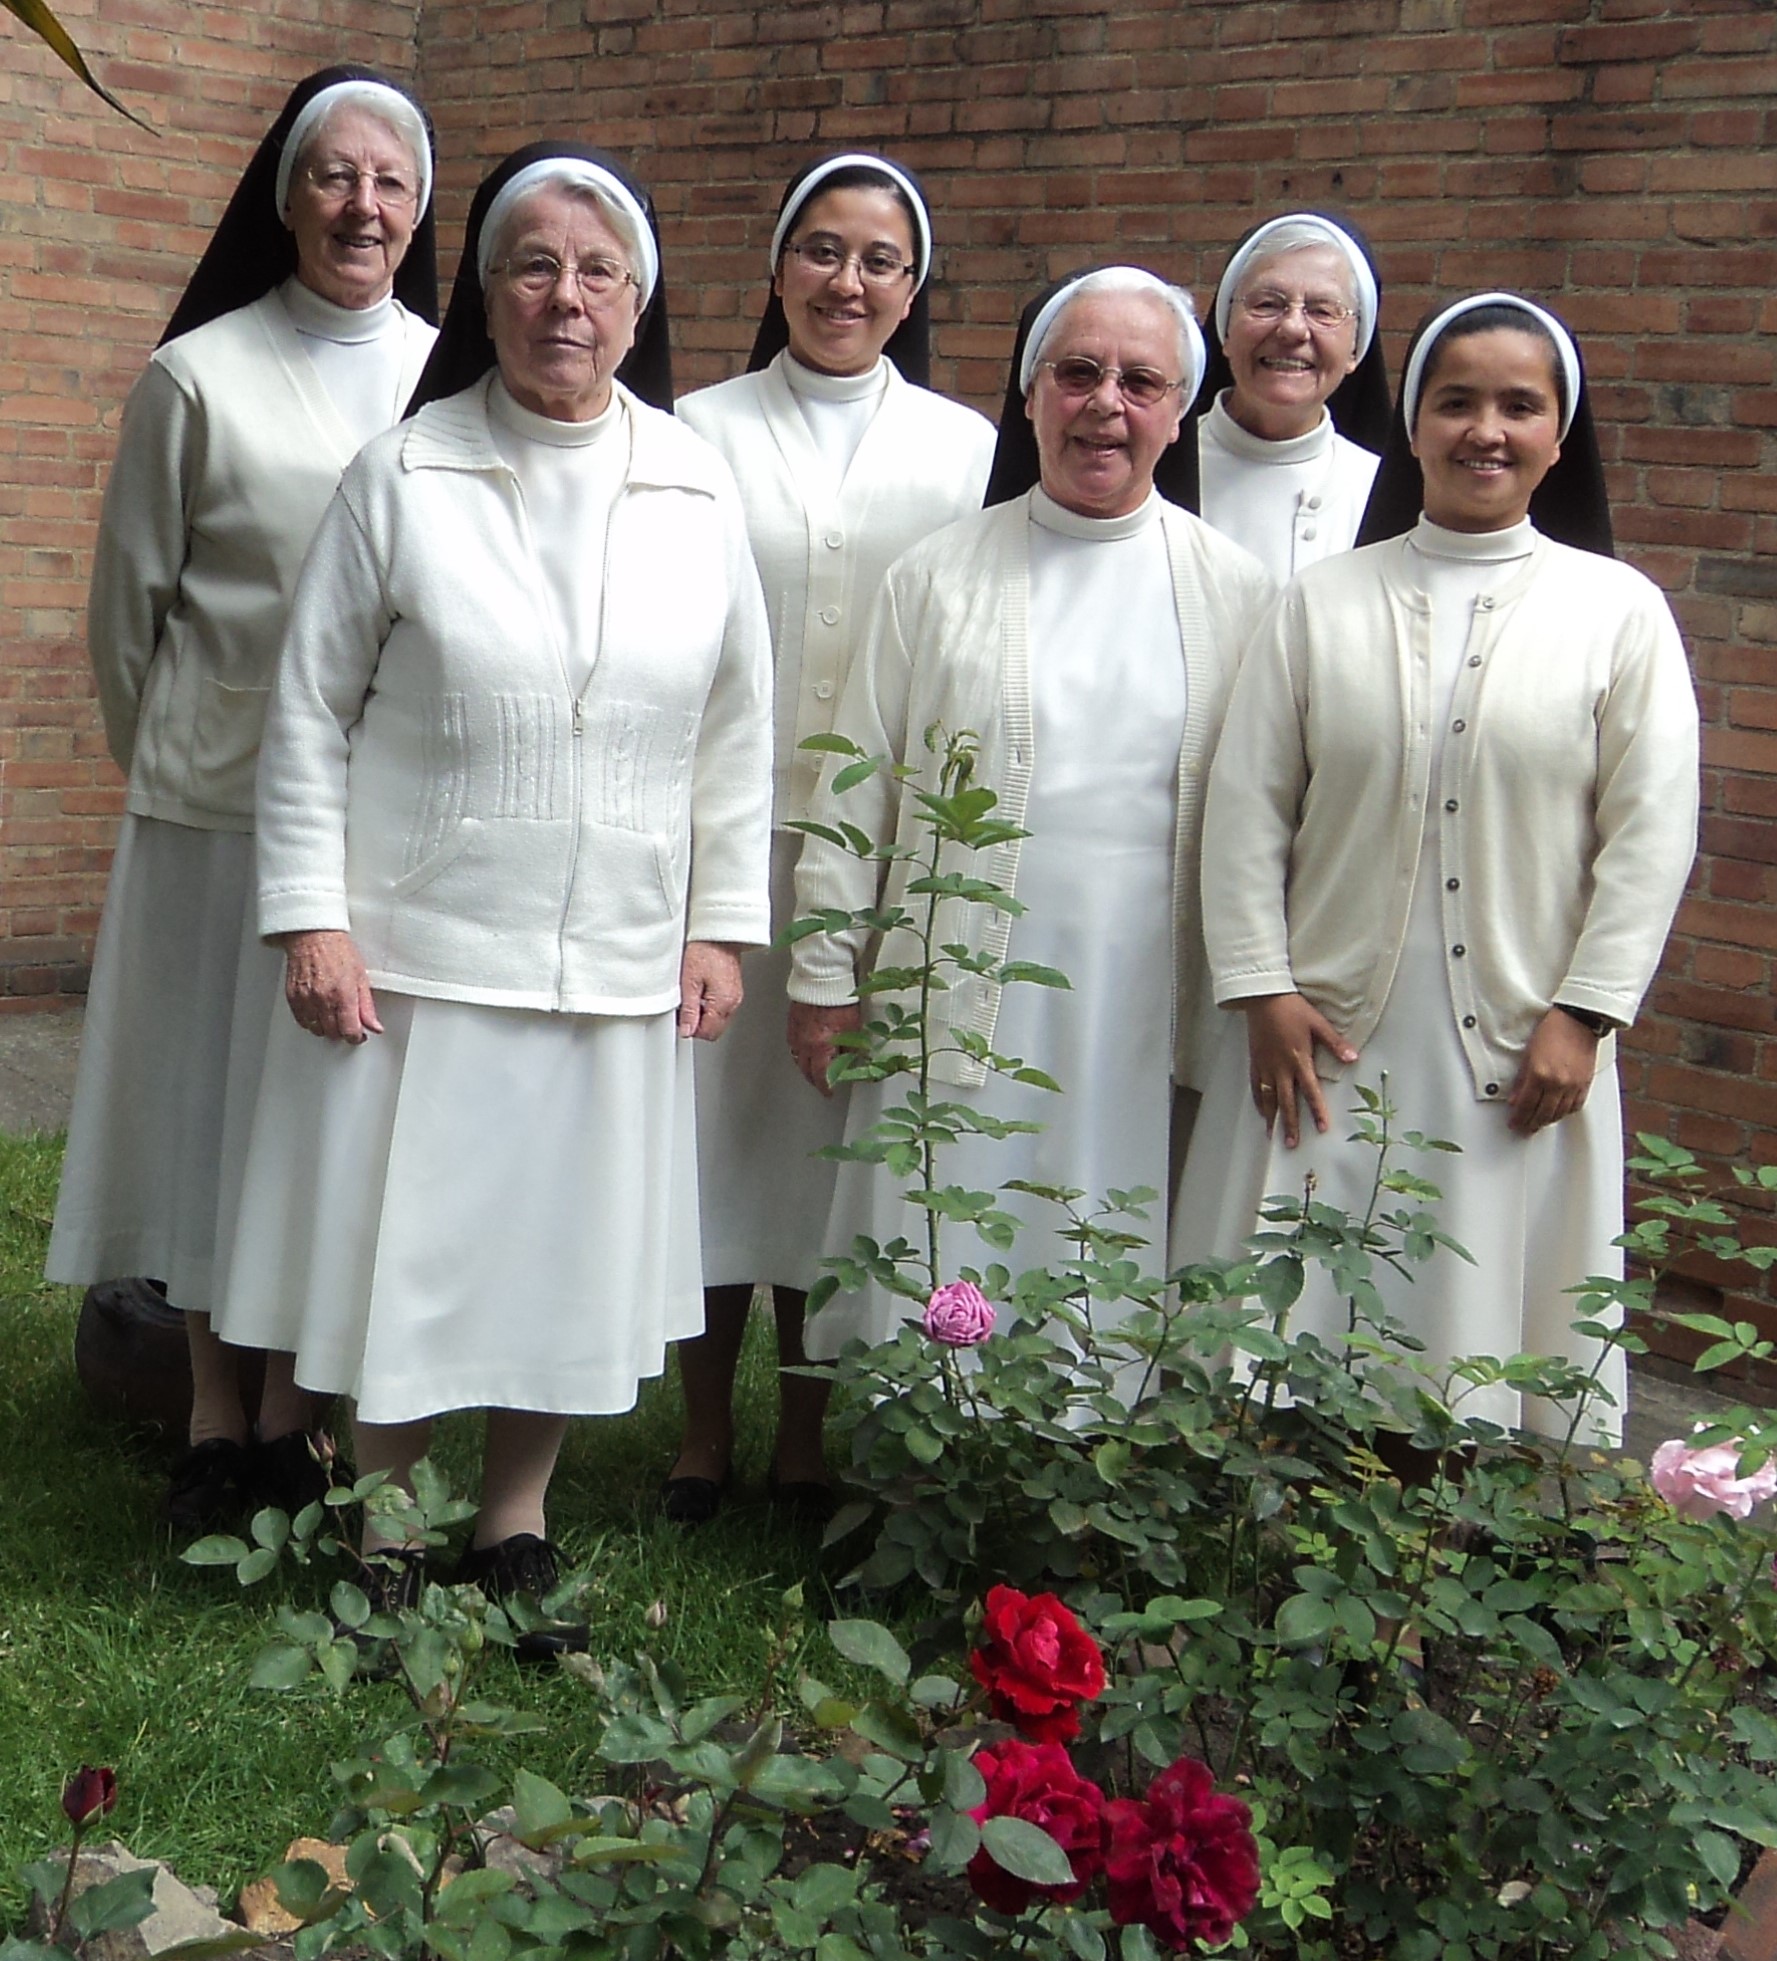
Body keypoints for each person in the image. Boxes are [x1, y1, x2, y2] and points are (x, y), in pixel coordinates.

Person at [212, 144, 773, 1651]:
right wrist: (308, 915)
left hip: (617, 947)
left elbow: (738, 725)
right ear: (486, 292)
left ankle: (513, 1515)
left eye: (596, 272)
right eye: (532, 267)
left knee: (562, 1252)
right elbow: (308, 710)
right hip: (423, 942)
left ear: (640, 299)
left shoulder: (694, 485)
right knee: (415, 1243)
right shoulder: (403, 471)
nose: (564, 299)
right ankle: (385, 1513)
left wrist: (724, 923)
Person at [1174, 292, 1700, 1442]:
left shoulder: (1617, 612)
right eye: (1455, 402)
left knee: (1466, 1337)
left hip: (1517, 1046)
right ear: (1411, 425)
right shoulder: (1322, 602)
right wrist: (1260, 987)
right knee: (1281, 1333)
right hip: (1316, 1037)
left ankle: (1429, 1573)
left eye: (1521, 405)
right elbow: (1247, 807)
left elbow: (1650, 834)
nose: (1485, 431)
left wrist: (1584, 1014)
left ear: (1560, 436)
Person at [46, 66, 440, 1532]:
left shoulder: (453, 376)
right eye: (335, 176)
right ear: (285, 195)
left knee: (326, 1111)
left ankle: (305, 1409)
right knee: (220, 1104)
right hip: (218, 806)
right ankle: (218, 1409)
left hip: (391, 817)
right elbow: (127, 610)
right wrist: (184, 768)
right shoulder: (199, 374)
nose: (364, 205)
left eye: (392, 182)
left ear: (421, 209)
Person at [789, 266, 1274, 1356]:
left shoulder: (1236, 591)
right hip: (963, 972)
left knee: (1115, 1213)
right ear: (1028, 391)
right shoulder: (938, 576)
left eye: (1141, 380)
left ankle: (1096, 1465)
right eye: (1078, 372)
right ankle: (932, 1457)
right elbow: (854, 784)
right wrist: (827, 974)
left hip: (1144, 987)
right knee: (956, 1197)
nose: (1106, 403)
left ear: (1181, 409)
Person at [667, 153, 998, 1522]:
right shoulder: (692, 427)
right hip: (712, 836)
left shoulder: (968, 449)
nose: (844, 282)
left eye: (877, 260)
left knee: (820, 1152)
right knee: (703, 1143)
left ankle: (805, 1438)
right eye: (819, 250)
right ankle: (696, 1436)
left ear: (912, 286)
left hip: (874, 854)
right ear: (776, 267)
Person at [1149, 211, 1391, 586]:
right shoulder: (1151, 468)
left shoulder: (1384, 493)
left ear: (1355, 350)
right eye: (1266, 304)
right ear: (1225, 331)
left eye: (1323, 311)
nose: (1293, 328)